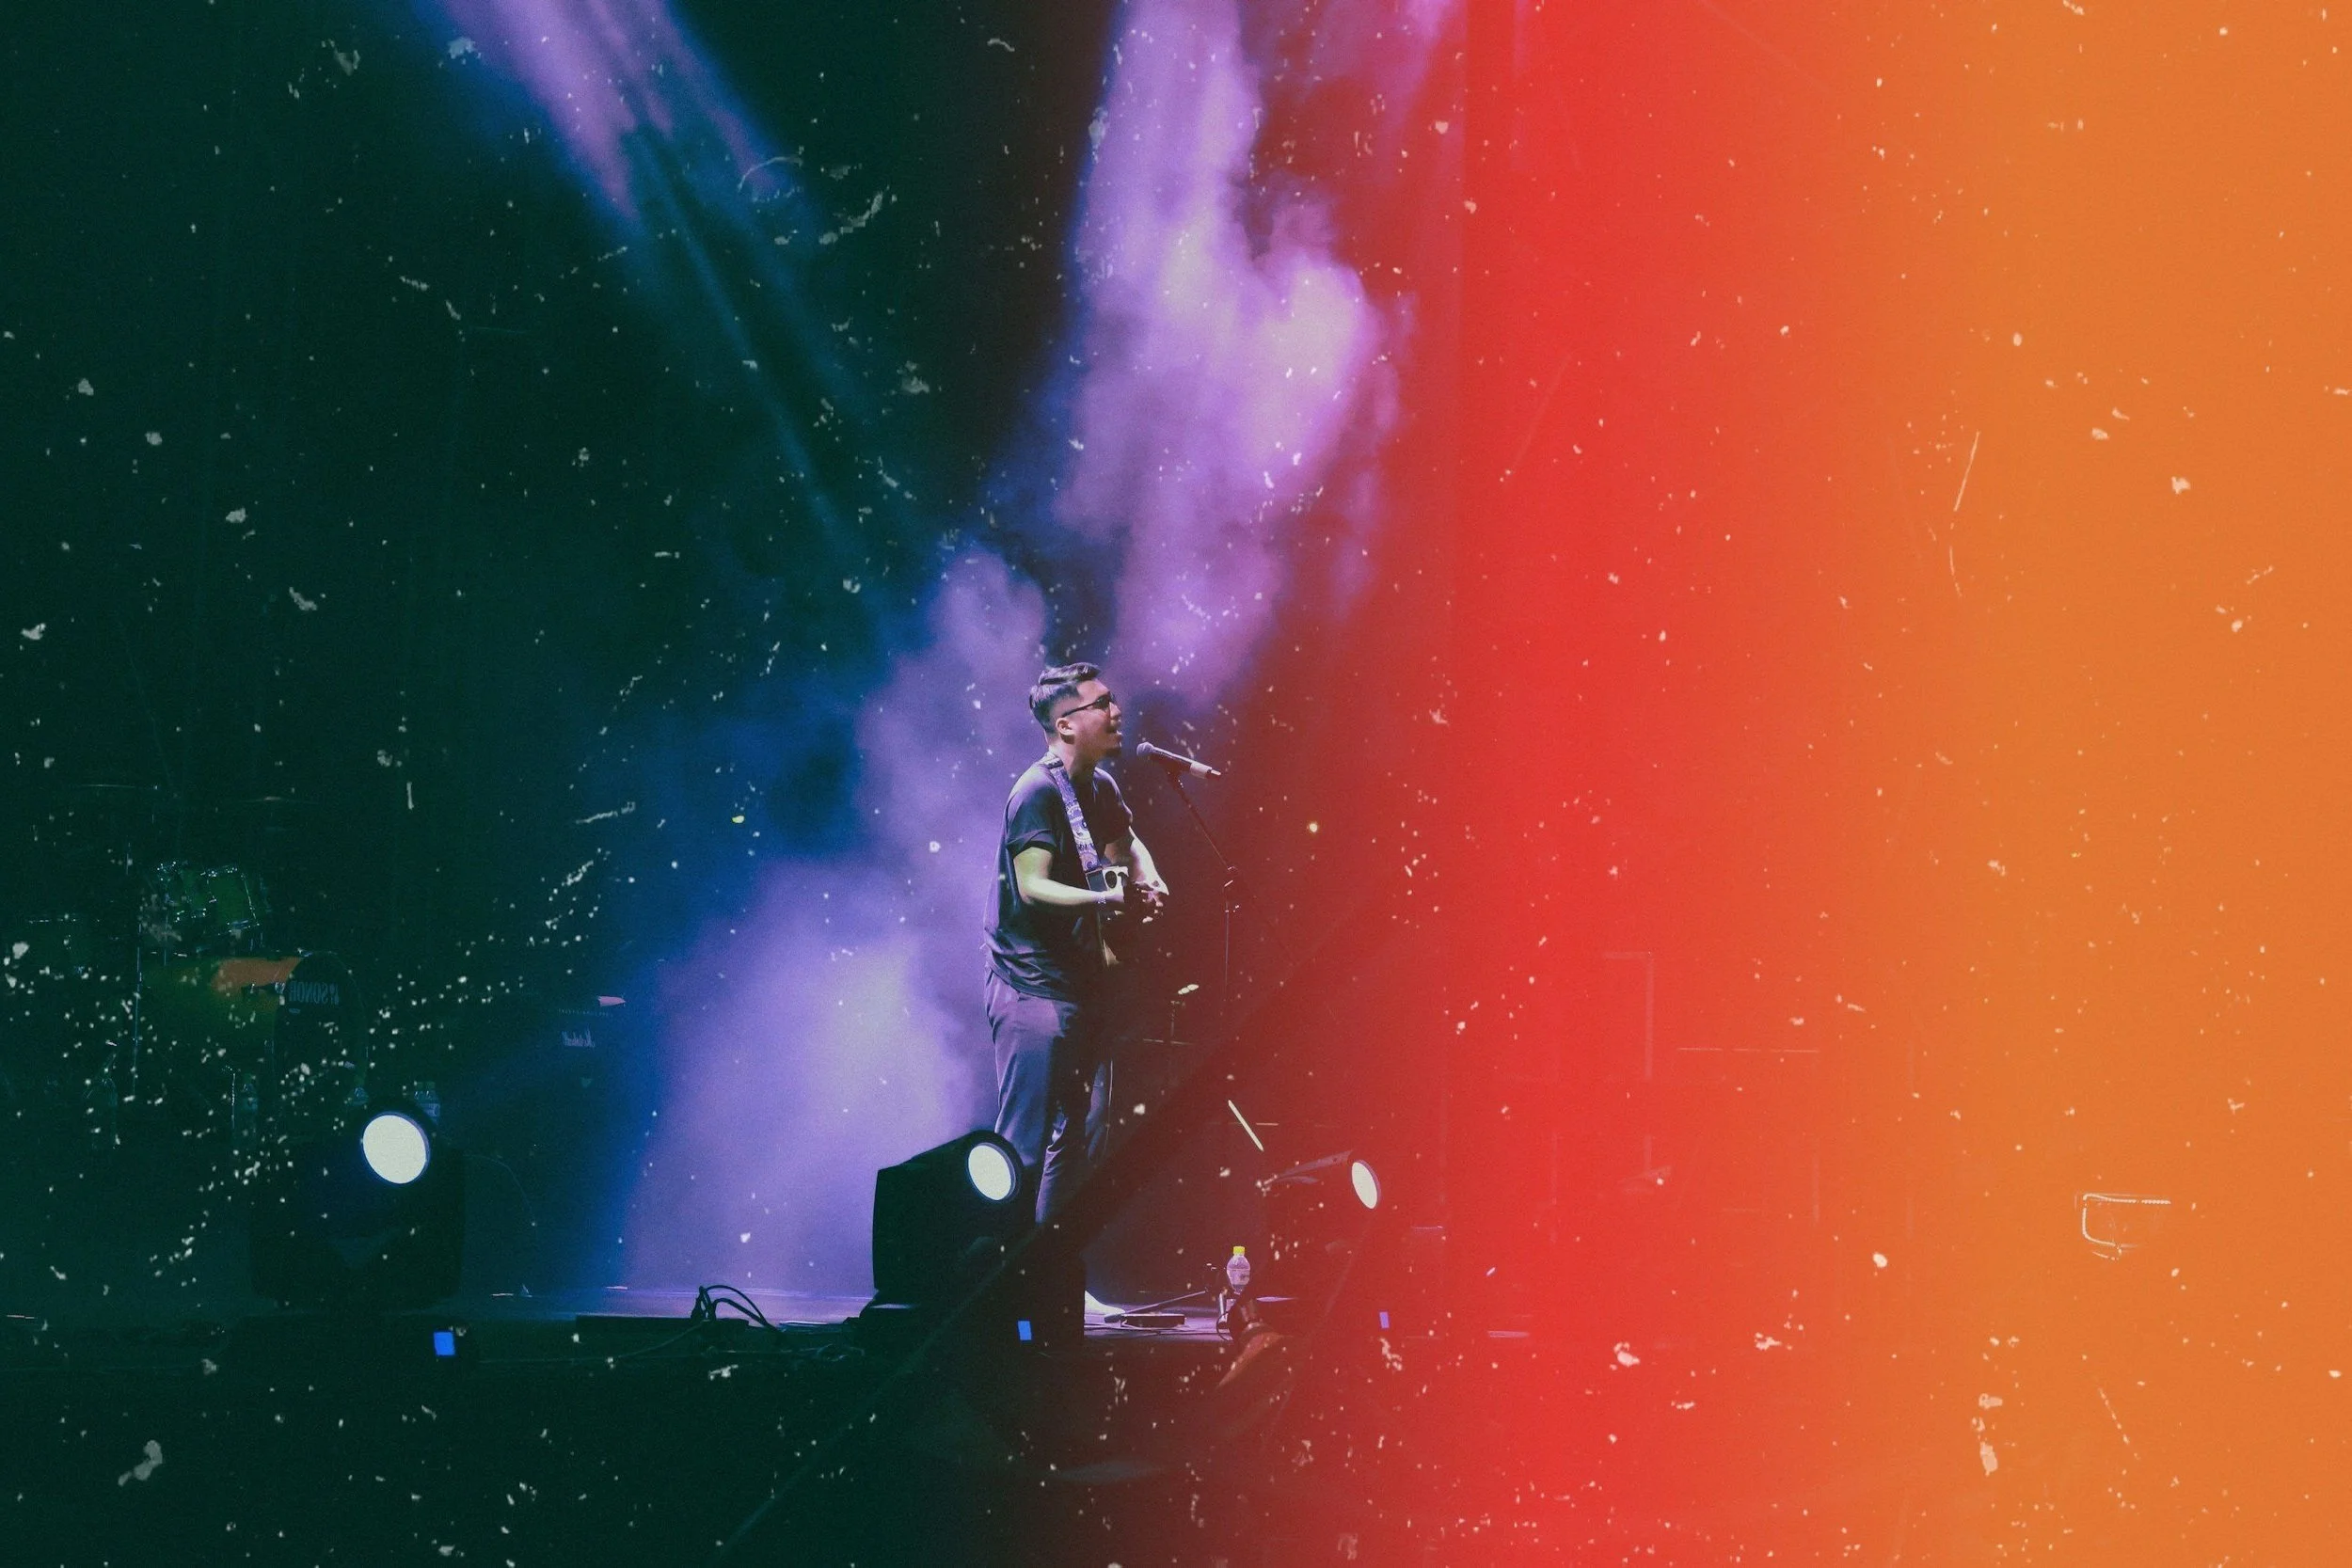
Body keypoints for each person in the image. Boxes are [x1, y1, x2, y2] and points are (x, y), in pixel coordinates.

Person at [985, 661, 1170, 1224]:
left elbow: (1128, 842)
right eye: (1102, 704)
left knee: (1081, 1135)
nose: (1117, 712)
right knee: (1023, 1145)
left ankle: (1052, 1260)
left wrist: (1150, 877)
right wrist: (1106, 898)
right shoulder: (1036, 791)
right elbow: (1032, 885)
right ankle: (1003, 1261)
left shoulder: (1101, 786)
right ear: (1065, 725)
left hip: (1083, 985)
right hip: (1031, 986)